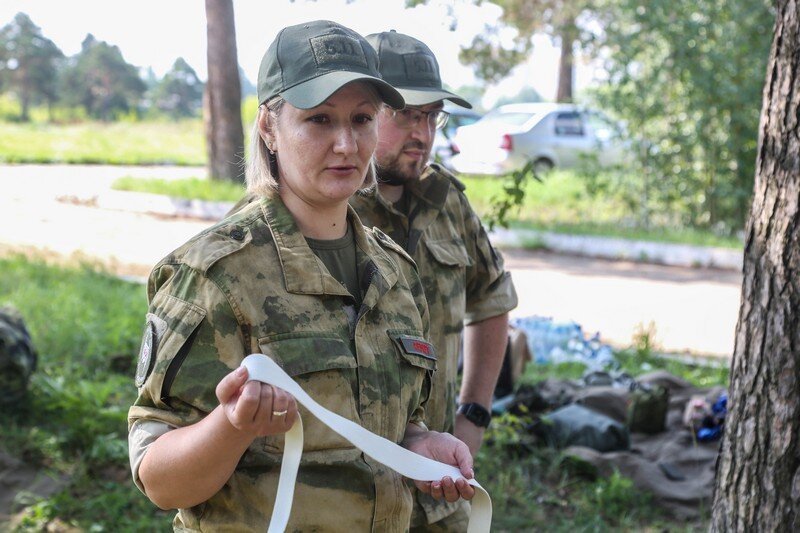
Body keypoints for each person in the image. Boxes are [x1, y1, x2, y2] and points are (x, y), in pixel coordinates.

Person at [127, 20, 474, 532]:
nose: (345, 144)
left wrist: (419, 444)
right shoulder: (215, 275)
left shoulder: (394, 272)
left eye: (361, 119)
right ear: (269, 126)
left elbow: (386, 426)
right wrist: (231, 426)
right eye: (318, 120)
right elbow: (160, 481)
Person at [349, 31, 519, 531]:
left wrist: (474, 416)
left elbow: (492, 299)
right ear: (364, 110)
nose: (421, 132)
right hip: (350, 498)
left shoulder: (446, 199)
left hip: (441, 490)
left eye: (430, 116)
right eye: (405, 115)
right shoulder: (329, 207)